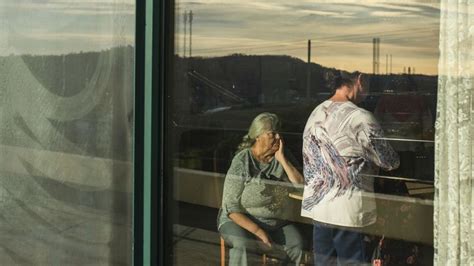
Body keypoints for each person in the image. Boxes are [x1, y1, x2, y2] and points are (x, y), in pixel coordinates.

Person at [301, 71, 400, 265]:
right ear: (360, 79)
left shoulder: (315, 114)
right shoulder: (360, 117)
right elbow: (390, 162)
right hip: (347, 209)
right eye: (370, 80)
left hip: (319, 208)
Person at [218, 112, 304, 266]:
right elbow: (231, 207)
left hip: (275, 221)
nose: (278, 137)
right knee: (244, 245)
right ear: (258, 136)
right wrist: (258, 231)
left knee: (296, 244)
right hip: (240, 220)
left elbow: (302, 187)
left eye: (279, 133)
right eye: (272, 133)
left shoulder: (282, 155)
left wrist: (283, 160)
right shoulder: (243, 160)